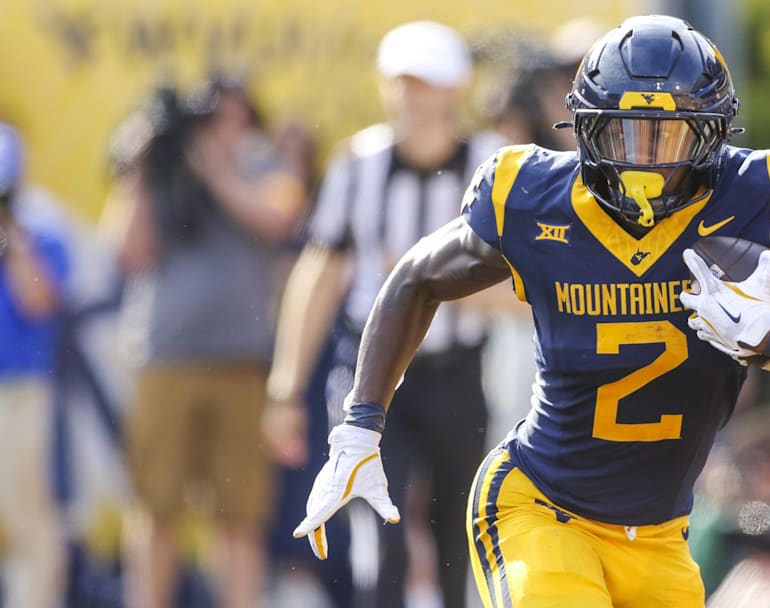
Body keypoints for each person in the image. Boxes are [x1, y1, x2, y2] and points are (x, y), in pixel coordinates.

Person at [293, 15, 770, 607]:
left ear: (712, 134)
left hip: (661, 536)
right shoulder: (537, 196)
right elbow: (414, 277)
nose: (643, 158)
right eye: (624, 131)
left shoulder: (758, 198)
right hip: (542, 507)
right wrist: (360, 424)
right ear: (586, 128)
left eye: (666, 135)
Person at [262, 21, 504, 608]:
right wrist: (286, 387)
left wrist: (428, 284)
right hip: (370, 377)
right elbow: (319, 275)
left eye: (424, 83)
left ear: (454, 91)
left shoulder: (494, 167)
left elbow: (528, 291)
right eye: (400, 83)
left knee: (457, 537)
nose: (409, 97)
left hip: (456, 369)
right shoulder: (359, 164)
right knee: (378, 532)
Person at [102, 78, 306, 608]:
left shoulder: (269, 166)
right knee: (155, 508)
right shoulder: (164, 173)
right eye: (212, 119)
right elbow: (124, 253)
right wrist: (142, 169)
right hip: (164, 360)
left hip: (242, 363)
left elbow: (278, 221)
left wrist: (217, 175)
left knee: (239, 515)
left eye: (235, 118)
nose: (223, 129)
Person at [0, 123, 69, 608]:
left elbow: (40, 301)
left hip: (19, 389)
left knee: (26, 512)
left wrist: (12, 238)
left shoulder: (41, 228)